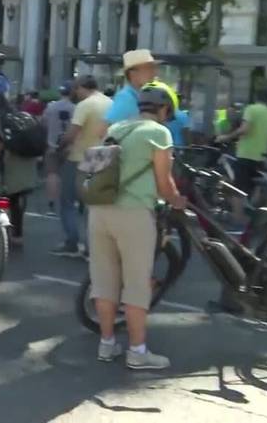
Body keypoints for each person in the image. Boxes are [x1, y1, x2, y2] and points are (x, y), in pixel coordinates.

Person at [90, 84, 186, 370]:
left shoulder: (116, 128)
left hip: (99, 210)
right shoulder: (159, 133)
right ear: (165, 109)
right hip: (134, 214)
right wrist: (177, 200)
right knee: (136, 285)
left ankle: (106, 344)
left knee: (104, 281)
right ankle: (137, 352)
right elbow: (163, 182)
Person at [52, 75, 113, 257]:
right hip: (102, 155)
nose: (75, 93)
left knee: (67, 201)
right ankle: (91, 246)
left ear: (82, 87)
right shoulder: (110, 103)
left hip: (80, 157)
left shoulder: (85, 105)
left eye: (76, 89)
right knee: (91, 203)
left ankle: (72, 241)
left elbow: (72, 134)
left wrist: (59, 146)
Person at [0, 91, 39, 248]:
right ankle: (17, 234)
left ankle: (2, 230)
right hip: (25, 159)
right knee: (16, 198)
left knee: (3, 197)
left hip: (9, 160)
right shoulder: (14, 113)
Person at [216, 89, 267, 219]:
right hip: (261, 156)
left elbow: (244, 129)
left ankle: (237, 218)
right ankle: (251, 217)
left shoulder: (252, 109)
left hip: (246, 154)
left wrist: (226, 137)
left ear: (256, 97)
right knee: (254, 187)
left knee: (237, 189)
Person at [41, 83, 75, 216]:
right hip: (70, 146)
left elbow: (43, 123)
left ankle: (51, 204)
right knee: (70, 176)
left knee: (52, 174)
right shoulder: (75, 108)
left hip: (52, 145)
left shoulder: (51, 107)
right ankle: (71, 202)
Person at [104, 49, 161, 127]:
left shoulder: (144, 95)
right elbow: (106, 129)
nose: (154, 73)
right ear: (133, 73)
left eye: (153, 68)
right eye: (148, 69)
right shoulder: (126, 98)